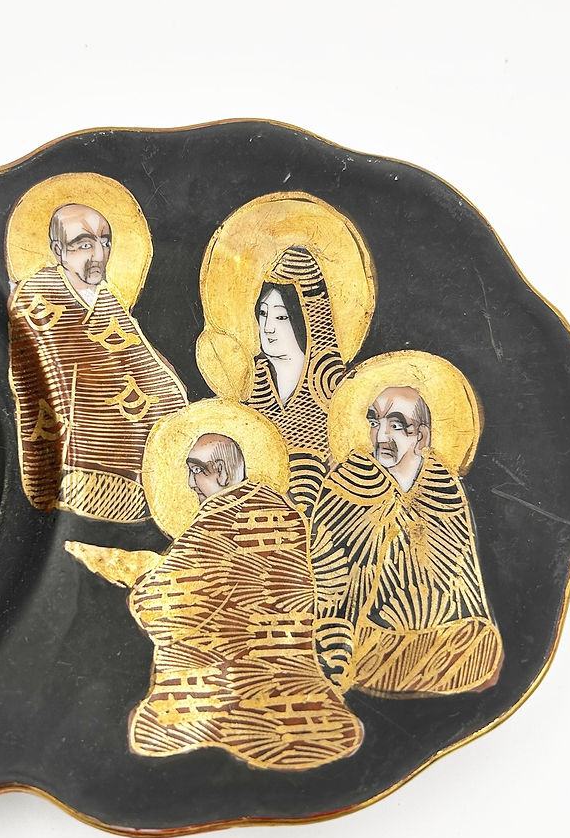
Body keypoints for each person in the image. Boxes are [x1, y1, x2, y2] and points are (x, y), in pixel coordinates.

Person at [66, 426, 363, 771]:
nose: (191, 484)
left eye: (196, 471)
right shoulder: (283, 514)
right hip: (291, 682)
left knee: (163, 730)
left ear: (220, 472)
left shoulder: (216, 524)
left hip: (223, 685)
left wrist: (144, 584)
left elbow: (166, 601)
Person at [310, 386, 503, 695]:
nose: (381, 436)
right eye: (375, 422)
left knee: (482, 646)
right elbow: (326, 581)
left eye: (396, 425)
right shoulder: (345, 487)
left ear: (422, 437)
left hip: (438, 637)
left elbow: (463, 584)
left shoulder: (445, 491)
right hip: (360, 639)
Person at [8, 202, 188, 522]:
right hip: (80, 465)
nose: (99, 254)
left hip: (143, 461)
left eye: (105, 242)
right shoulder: (38, 298)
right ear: (58, 251)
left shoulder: (108, 299)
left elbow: (144, 362)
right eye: (84, 244)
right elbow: (43, 377)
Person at [245, 246, 345, 517]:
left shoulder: (334, 392)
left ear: (307, 319)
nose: (268, 328)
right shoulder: (250, 384)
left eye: (281, 317)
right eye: (263, 313)